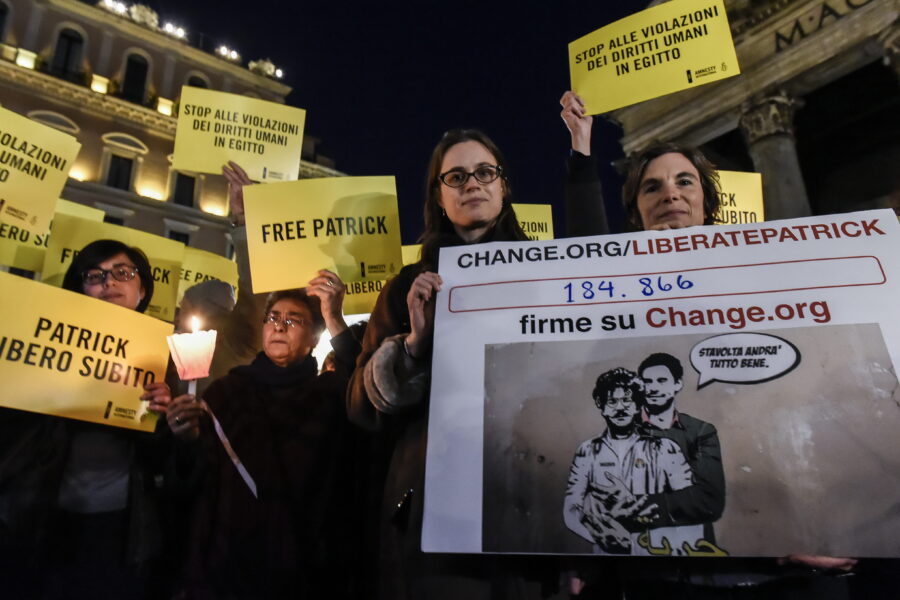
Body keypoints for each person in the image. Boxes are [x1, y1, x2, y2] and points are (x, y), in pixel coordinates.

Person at [559, 90, 857, 596]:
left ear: (706, 200)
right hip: (656, 576)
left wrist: (823, 524)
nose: (669, 194)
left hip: (775, 569)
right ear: (635, 211)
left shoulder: (766, 278)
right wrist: (581, 148)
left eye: (684, 181)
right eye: (651, 187)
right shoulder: (620, 288)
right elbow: (590, 255)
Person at [348, 129, 564, 599]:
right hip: (435, 511)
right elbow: (360, 408)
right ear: (438, 195)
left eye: (486, 172)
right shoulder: (407, 286)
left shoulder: (545, 274)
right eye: (457, 176)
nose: (473, 184)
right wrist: (413, 345)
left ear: (504, 187)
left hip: (531, 498)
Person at [166, 268, 363, 594]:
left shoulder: (327, 396)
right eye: (272, 318)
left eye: (294, 320)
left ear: (314, 338)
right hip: (227, 562)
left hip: (301, 564)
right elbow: (197, 479)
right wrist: (186, 440)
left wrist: (333, 315)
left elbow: (363, 377)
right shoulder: (225, 393)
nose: (280, 325)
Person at [0, 239, 173, 598]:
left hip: (120, 525)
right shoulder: (37, 339)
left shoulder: (166, 360)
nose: (108, 283)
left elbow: (166, 461)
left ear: (142, 290)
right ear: (79, 288)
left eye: (122, 273)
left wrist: (165, 419)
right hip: (39, 515)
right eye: (94, 276)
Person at [564, 367, 702, 556]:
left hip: (658, 556)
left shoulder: (665, 449)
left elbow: (690, 505)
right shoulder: (588, 452)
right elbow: (571, 508)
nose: (620, 408)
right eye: (612, 401)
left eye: (627, 400)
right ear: (600, 404)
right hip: (607, 559)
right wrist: (603, 537)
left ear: (637, 404)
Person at [637, 353, 725, 546]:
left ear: (677, 384)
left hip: (693, 545)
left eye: (662, 380)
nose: (653, 388)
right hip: (639, 546)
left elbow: (708, 501)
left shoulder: (700, 431)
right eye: (647, 381)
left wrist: (636, 507)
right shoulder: (624, 429)